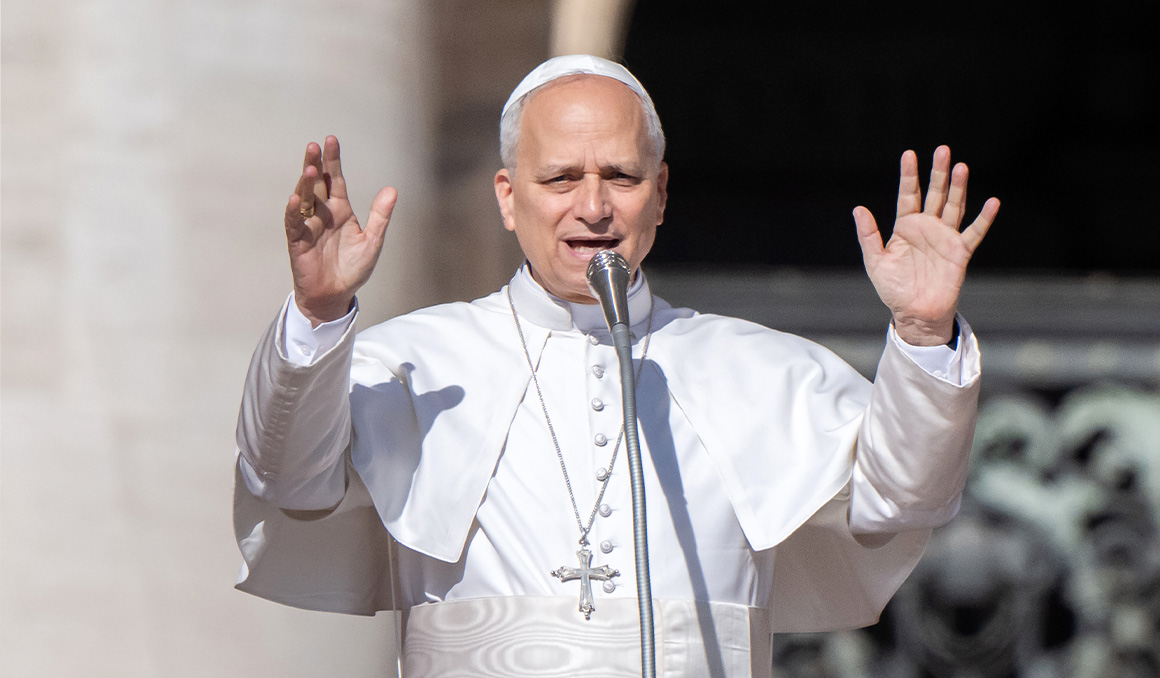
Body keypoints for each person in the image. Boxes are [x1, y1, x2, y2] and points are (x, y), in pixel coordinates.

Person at [233, 54, 999, 677]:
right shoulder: (417, 363)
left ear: (660, 194)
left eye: (622, 178)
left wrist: (924, 330)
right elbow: (288, 478)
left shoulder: (760, 370)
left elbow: (903, 498)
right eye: (561, 178)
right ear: (508, 197)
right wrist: (321, 314)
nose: (593, 207)